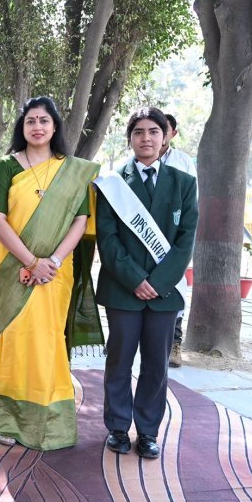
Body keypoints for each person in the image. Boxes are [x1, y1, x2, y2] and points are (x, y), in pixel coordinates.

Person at [0, 96, 102, 450]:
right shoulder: (7, 166)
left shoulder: (71, 171)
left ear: (54, 127)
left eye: (44, 121)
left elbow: (81, 219)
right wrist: (31, 261)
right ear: (22, 127)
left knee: (47, 341)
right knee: (13, 340)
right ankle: (4, 417)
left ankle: (49, 422)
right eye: (31, 121)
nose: (37, 127)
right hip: (11, 269)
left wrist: (54, 262)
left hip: (55, 273)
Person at [94, 106, 197, 459]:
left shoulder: (184, 184)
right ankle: (119, 428)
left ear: (166, 136)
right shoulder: (112, 183)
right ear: (130, 139)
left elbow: (186, 240)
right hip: (123, 290)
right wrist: (136, 280)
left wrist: (158, 282)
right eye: (139, 132)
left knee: (156, 364)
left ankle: (149, 431)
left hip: (164, 294)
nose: (147, 138)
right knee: (119, 361)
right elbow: (107, 240)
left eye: (154, 131)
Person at [160, 113, 197, 368]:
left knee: (176, 287)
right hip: (140, 235)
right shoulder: (132, 164)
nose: (154, 136)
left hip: (172, 238)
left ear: (172, 133)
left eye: (162, 129)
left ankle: (174, 343)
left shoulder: (183, 162)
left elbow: (192, 204)